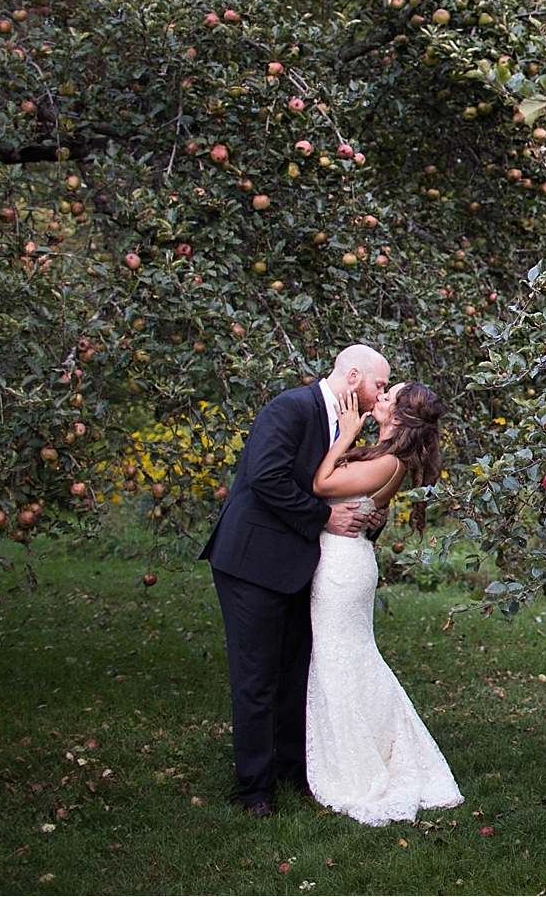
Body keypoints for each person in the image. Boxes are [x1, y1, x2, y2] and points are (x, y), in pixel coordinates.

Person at [199, 344, 390, 817]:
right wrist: (323, 516)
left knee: (294, 672)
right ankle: (254, 789)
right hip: (252, 560)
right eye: (379, 384)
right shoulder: (291, 407)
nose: (382, 392)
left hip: (303, 567)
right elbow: (265, 478)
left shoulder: (350, 425)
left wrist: (368, 515)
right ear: (352, 377)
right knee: (256, 676)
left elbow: (357, 486)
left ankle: (292, 769)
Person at [305, 380, 463, 825]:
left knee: (344, 658)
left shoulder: (388, 459)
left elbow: (322, 483)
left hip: (342, 568)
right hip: (342, 559)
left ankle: (364, 759)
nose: (381, 398)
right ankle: (355, 744)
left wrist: (346, 433)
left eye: (389, 396)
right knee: (343, 656)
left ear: (400, 415)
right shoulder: (385, 455)